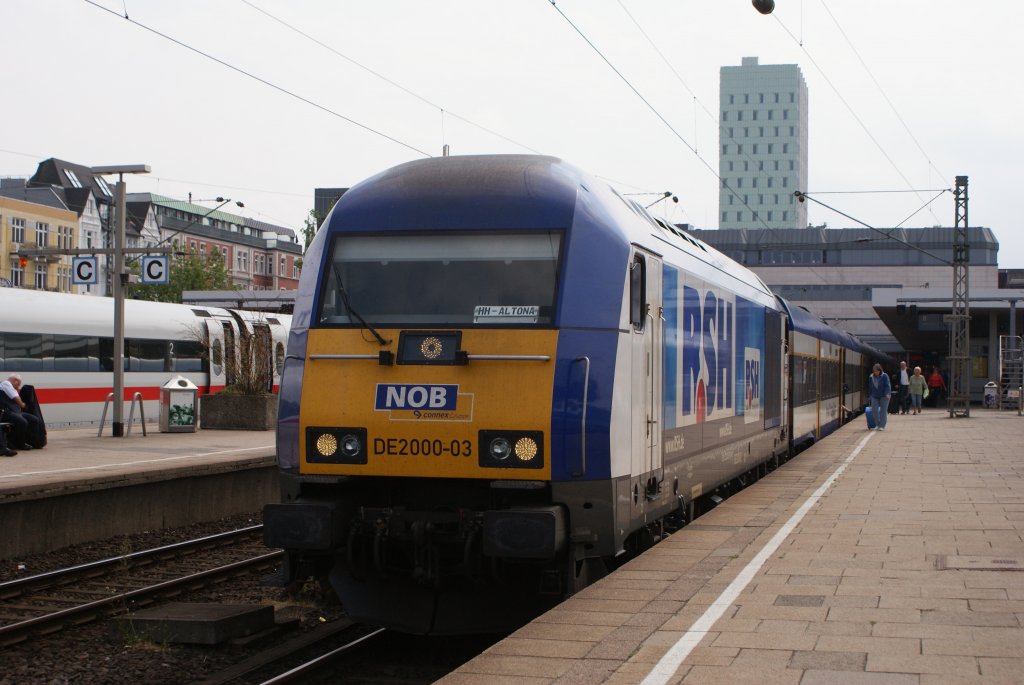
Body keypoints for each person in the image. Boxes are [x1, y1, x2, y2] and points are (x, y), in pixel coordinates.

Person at [0, 374, 43, 451]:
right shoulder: (6, 384)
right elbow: (16, 397)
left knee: (34, 420)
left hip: (15, 411)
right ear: (15, 380)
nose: (18, 387)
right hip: (6, 412)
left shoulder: (9, 386)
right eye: (18, 384)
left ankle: (32, 441)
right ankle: (18, 443)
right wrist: (23, 405)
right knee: (23, 422)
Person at [868, 363, 891, 431]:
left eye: (877, 371)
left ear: (880, 370)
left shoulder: (884, 376)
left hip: (884, 396)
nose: (876, 372)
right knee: (874, 409)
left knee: (883, 410)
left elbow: (887, 385)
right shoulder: (871, 377)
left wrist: (887, 393)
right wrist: (869, 396)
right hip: (874, 395)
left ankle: (882, 425)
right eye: (874, 371)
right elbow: (870, 387)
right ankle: (877, 424)